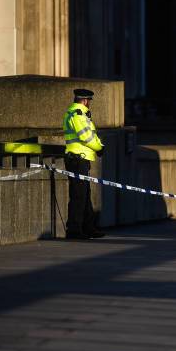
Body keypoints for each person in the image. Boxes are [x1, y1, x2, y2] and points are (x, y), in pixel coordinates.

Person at [62, 89, 104, 239]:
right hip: (78, 158)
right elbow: (86, 136)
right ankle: (74, 229)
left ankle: (88, 227)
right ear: (85, 100)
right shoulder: (78, 114)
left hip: (80, 158)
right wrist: (100, 147)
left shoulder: (76, 113)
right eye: (89, 101)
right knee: (79, 195)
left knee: (84, 194)